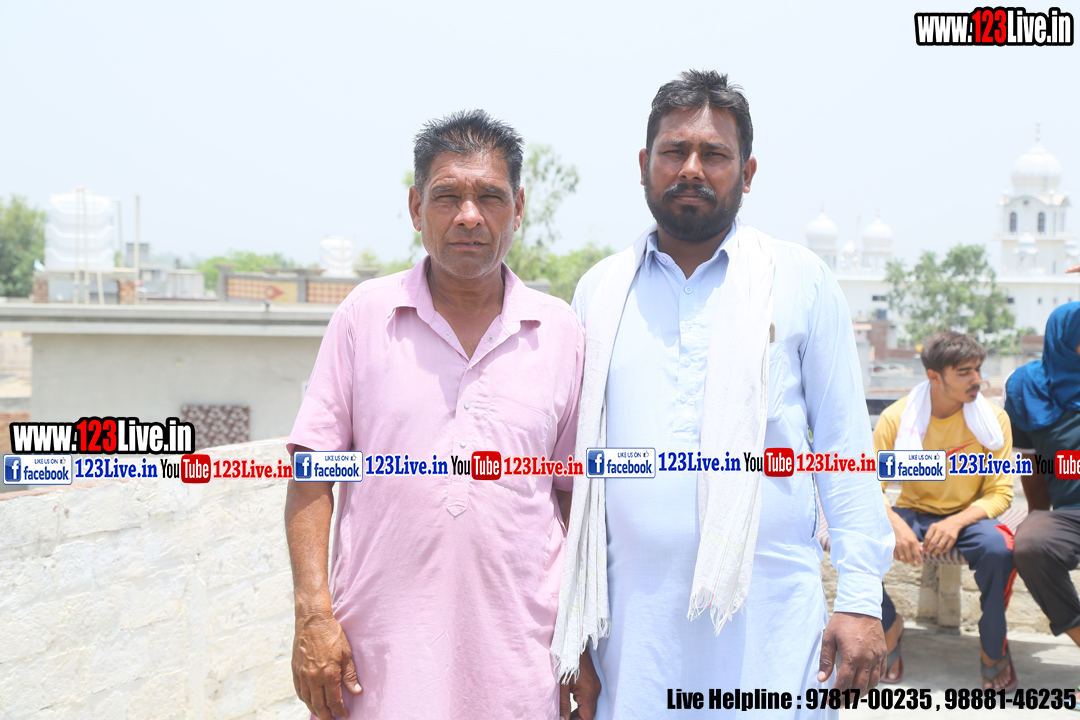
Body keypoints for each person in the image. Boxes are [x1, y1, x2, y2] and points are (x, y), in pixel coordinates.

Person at [551, 70, 893, 719]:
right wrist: (575, 640)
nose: (692, 169)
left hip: (772, 627)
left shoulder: (800, 281)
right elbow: (575, 474)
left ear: (747, 172)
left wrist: (859, 598)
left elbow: (846, 449)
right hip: (633, 632)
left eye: (714, 154)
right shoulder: (599, 290)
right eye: (674, 151)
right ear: (644, 165)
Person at [284, 109, 596, 720]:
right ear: (415, 207)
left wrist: (578, 642)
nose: (469, 216)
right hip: (377, 661)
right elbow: (310, 477)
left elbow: (571, 499)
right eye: (448, 196)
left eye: (490, 197)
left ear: (518, 208)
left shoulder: (560, 332)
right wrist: (313, 616)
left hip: (521, 660)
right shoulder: (365, 317)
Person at [872, 331, 1016, 691]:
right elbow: (869, 487)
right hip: (913, 512)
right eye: (964, 372)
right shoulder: (896, 418)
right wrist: (895, 523)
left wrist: (956, 522)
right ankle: (889, 624)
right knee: (857, 539)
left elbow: (999, 493)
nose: (977, 379)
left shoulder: (993, 420)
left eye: (978, 369)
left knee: (1000, 551)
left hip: (968, 517)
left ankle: (992, 644)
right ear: (934, 376)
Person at [1008, 303, 1080, 663]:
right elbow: (1031, 465)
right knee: (1032, 545)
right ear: (1064, 338)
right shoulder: (1027, 387)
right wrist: (1038, 517)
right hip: (1071, 513)